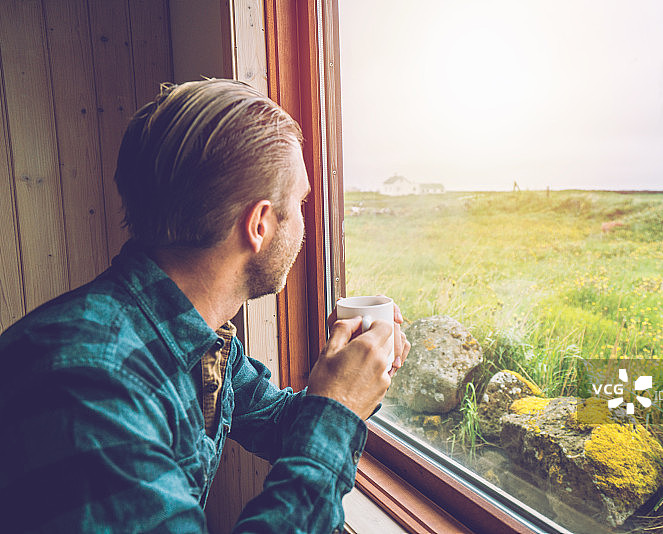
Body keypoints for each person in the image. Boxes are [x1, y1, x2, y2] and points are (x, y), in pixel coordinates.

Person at [0, 79, 410, 533]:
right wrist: (338, 406)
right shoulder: (94, 390)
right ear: (259, 224)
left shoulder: (192, 334)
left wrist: (357, 373)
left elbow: (279, 423)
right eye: (300, 202)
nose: (304, 221)